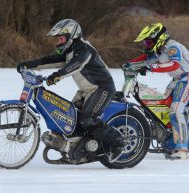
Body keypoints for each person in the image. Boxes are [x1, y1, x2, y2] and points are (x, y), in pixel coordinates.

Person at [17, 19, 124, 160]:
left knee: (87, 119)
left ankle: (118, 143)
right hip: (87, 90)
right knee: (70, 118)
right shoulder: (70, 52)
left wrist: (58, 75)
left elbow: (76, 64)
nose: (59, 42)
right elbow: (50, 60)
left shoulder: (84, 50)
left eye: (61, 38)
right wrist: (27, 64)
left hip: (102, 88)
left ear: (71, 36)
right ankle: (79, 148)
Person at [124, 23, 189, 160]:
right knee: (163, 107)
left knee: (175, 110)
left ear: (158, 38)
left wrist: (151, 68)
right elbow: (146, 59)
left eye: (148, 41)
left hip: (188, 78)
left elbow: (174, 64)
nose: (146, 45)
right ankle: (169, 138)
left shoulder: (172, 47)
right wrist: (130, 63)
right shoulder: (159, 50)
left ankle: (182, 149)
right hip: (177, 80)